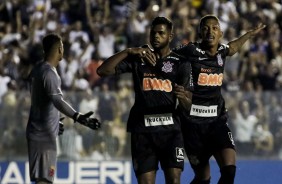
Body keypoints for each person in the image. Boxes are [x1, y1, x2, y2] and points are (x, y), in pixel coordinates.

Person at [97, 16, 193, 184]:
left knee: (174, 180)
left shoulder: (181, 63)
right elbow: (103, 71)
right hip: (143, 131)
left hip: (171, 132)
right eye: (153, 33)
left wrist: (182, 97)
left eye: (161, 33)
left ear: (170, 37)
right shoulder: (138, 58)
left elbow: (189, 105)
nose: (156, 36)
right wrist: (128, 51)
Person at [173, 15, 266, 184]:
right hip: (192, 125)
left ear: (220, 33)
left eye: (214, 28)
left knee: (229, 170)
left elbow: (234, 47)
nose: (210, 31)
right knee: (203, 178)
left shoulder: (222, 51)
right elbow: (167, 56)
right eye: (206, 28)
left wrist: (249, 34)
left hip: (217, 121)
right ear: (200, 32)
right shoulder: (191, 51)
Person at [26, 33, 101, 184]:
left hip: (38, 129)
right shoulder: (49, 72)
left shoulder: (36, 70)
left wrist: (54, 120)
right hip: (44, 134)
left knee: (43, 179)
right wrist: (77, 116)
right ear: (59, 49)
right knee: (45, 180)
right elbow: (57, 100)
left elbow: (39, 100)